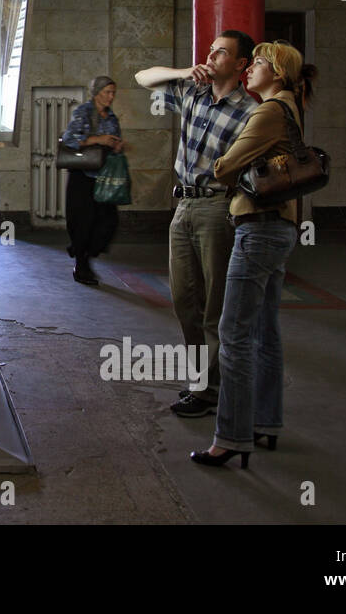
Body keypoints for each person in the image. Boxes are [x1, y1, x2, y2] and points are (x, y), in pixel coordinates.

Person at [191, 41, 318, 468]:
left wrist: (224, 165)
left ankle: (230, 438)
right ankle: (266, 423)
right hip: (279, 228)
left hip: (258, 228)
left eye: (259, 63)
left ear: (277, 74)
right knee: (265, 331)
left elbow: (224, 167)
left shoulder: (267, 111)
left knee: (234, 336)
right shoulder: (289, 108)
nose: (252, 69)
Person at [134, 30, 257, 417]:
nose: (212, 55)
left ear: (240, 65)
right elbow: (143, 78)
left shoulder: (248, 111)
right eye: (211, 50)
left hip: (217, 208)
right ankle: (202, 381)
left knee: (214, 304)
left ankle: (212, 390)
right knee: (184, 299)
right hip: (183, 207)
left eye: (222, 53)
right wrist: (188, 71)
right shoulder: (193, 93)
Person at [59, 76, 123, 286]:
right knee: (83, 221)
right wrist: (98, 139)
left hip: (103, 175)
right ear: (96, 92)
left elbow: (115, 139)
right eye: (107, 92)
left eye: (113, 92)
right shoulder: (84, 112)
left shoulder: (112, 117)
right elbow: (69, 138)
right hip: (83, 175)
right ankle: (81, 263)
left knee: (108, 222)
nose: (111, 97)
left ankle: (83, 252)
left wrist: (116, 145)